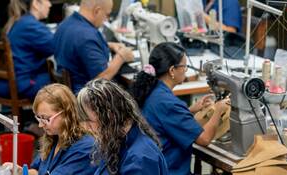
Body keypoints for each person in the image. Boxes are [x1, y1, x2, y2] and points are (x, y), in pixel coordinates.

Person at [129, 42, 230, 175]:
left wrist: (189, 111)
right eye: (185, 66)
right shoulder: (168, 103)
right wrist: (218, 110)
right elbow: (204, 139)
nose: (186, 70)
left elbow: (162, 121)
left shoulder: (151, 90)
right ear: (172, 70)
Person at [77, 79, 168, 175]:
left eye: (89, 121)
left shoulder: (140, 159)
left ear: (110, 116)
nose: (86, 128)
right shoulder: (115, 141)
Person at [3, 84, 97, 174]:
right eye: (39, 118)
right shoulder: (54, 138)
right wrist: (22, 172)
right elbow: (38, 171)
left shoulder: (85, 149)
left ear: (66, 114)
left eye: (46, 119)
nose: (40, 125)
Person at [53, 0, 135, 93]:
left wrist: (109, 45)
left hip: (68, 93)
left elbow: (77, 48)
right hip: (86, 98)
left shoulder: (65, 25)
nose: (106, 20)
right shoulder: (87, 36)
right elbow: (101, 79)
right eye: (107, 14)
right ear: (97, 11)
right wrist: (121, 56)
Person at [0, 0, 54, 100]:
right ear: (36, 4)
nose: (50, 4)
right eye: (47, 0)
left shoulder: (19, 22)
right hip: (23, 84)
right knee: (62, 83)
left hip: (4, 83)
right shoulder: (30, 26)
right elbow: (57, 46)